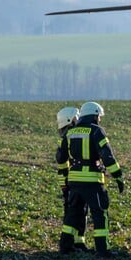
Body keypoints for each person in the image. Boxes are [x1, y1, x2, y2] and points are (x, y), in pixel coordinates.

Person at [55, 101, 124, 257]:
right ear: (94, 115)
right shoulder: (96, 131)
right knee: (100, 214)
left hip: (74, 182)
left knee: (73, 214)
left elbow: (61, 158)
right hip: (93, 181)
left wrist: (65, 182)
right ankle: (102, 250)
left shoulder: (70, 133)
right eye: (99, 116)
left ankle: (65, 247)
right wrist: (118, 176)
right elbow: (107, 155)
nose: (99, 119)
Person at [55, 106, 89, 252]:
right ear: (72, 120)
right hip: (74, 181)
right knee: (75, 212)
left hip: (71, 180)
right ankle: (71, 244)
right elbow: (63, 165)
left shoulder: (66, 138)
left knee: (78, 211)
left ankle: (78, 241)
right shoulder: (71, 138)